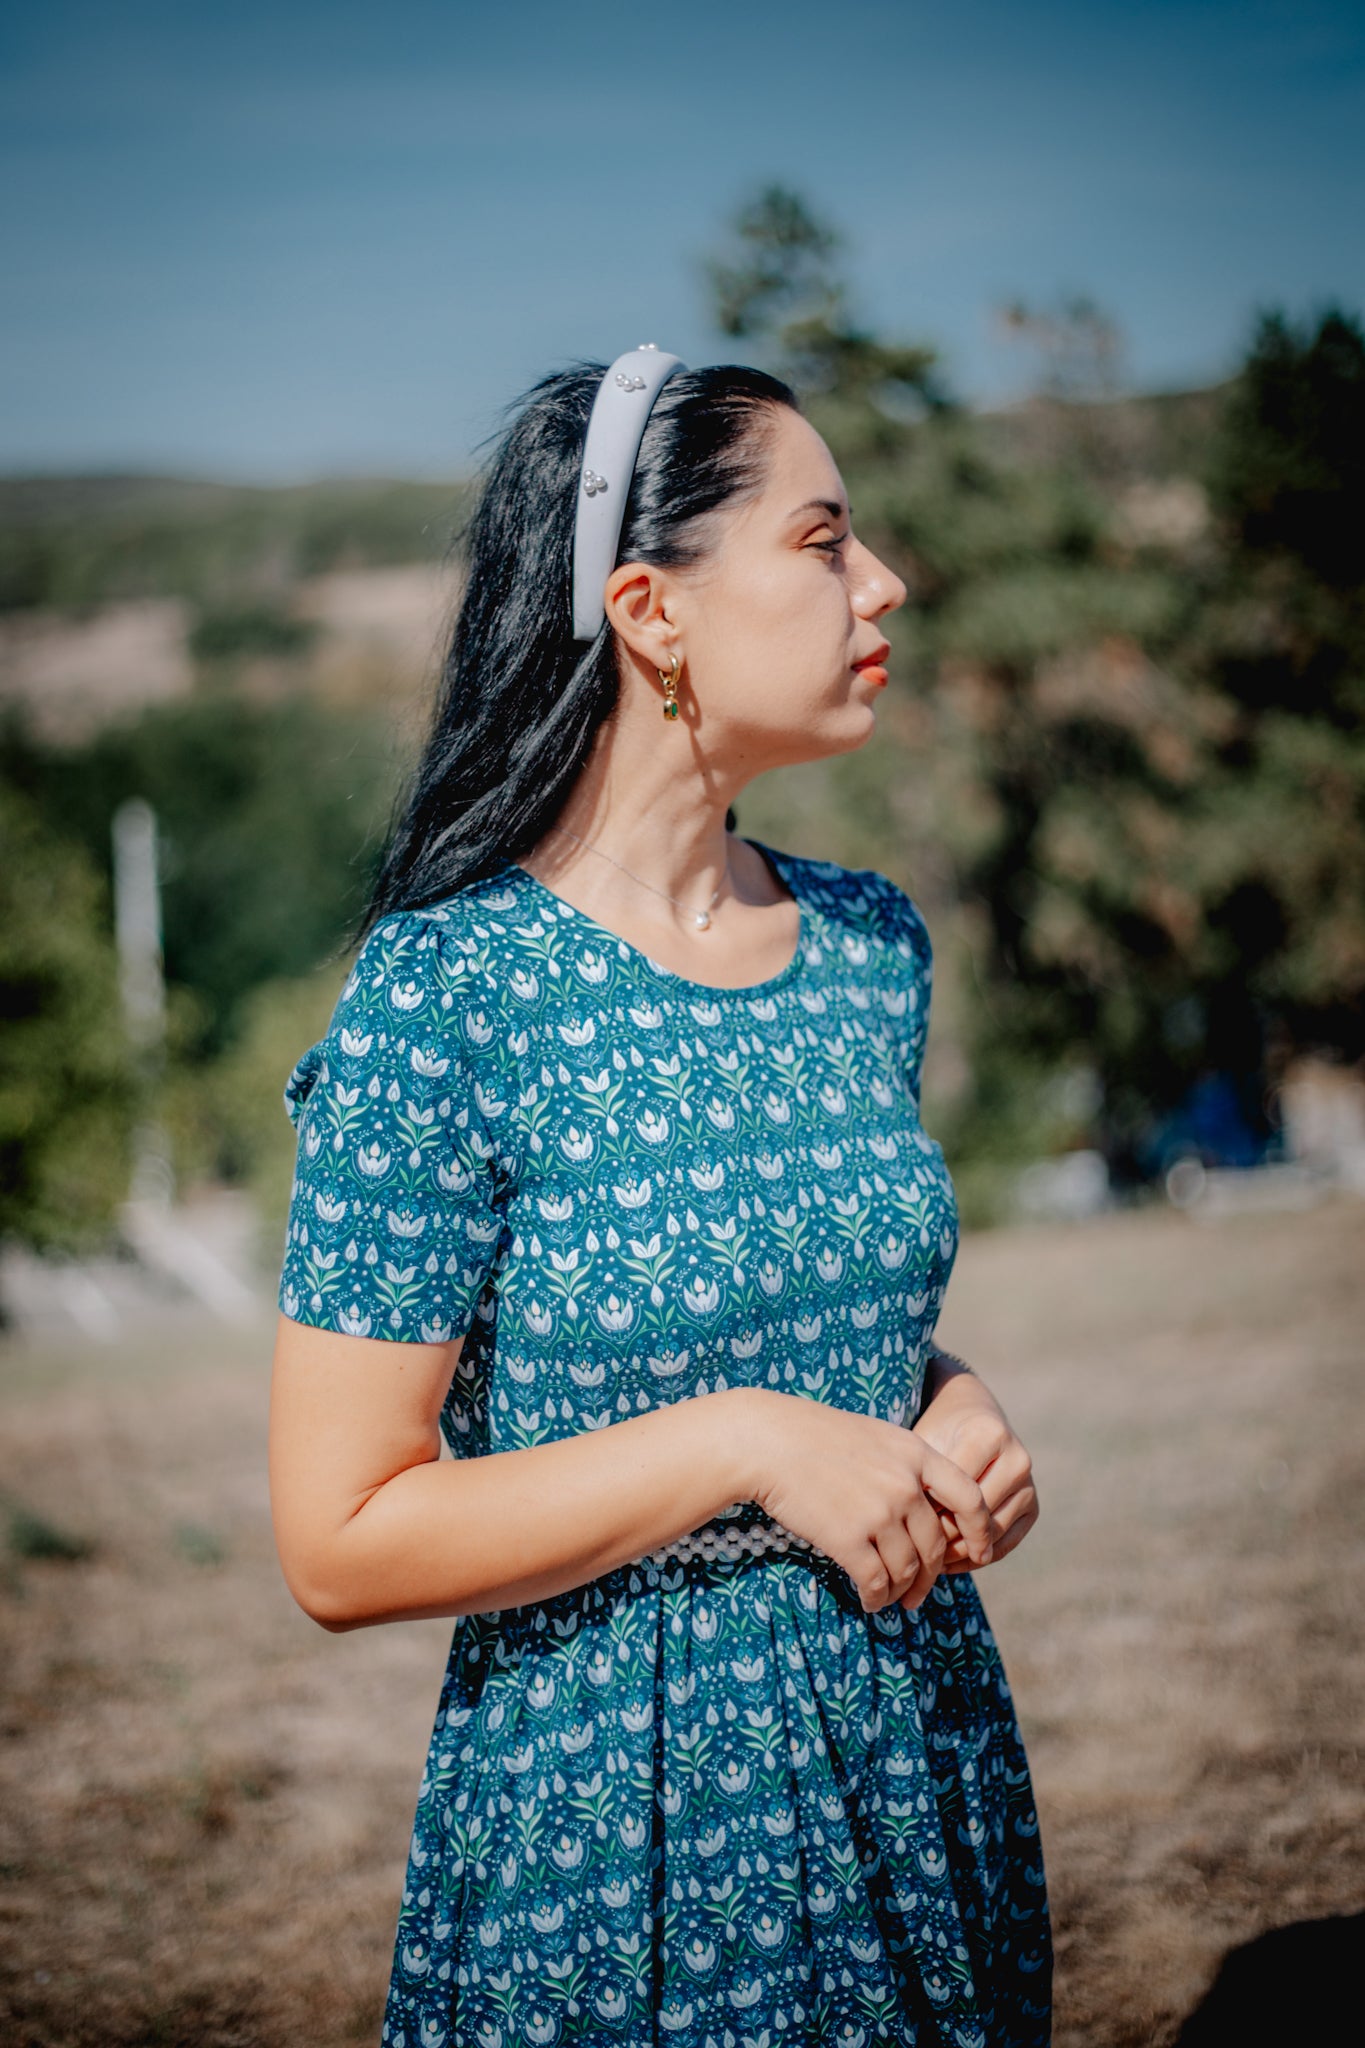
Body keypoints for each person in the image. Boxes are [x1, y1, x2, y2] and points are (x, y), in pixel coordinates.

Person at [269, 346, 1052, 2048]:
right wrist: (748, 1441)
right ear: (651, 606)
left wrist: (945, 1405)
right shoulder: (445, 993)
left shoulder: (869, 949)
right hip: (613, 1826)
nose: (881, 581)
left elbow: (816, 1314)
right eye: (822, 539)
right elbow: (338, 1535)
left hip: (912, 1751)